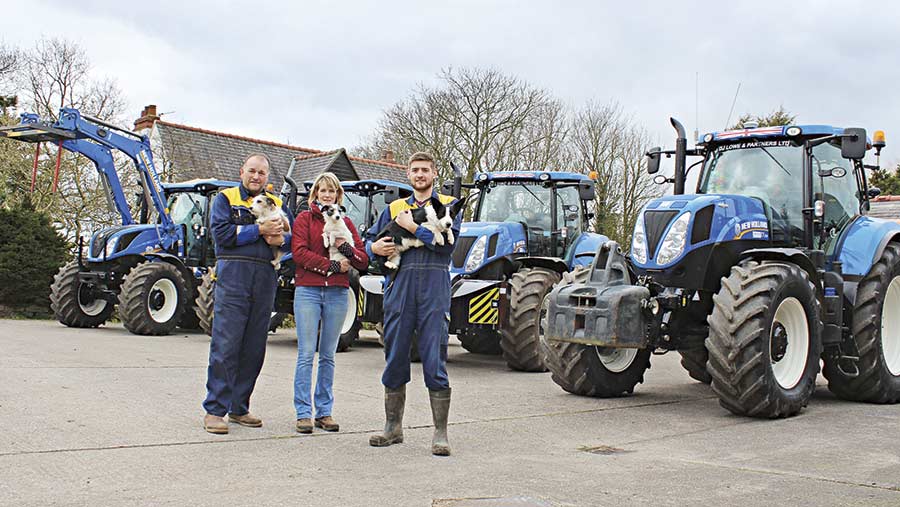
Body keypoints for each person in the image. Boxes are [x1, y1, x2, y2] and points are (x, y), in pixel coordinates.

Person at [366, 151, 462, 456]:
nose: (420, 175)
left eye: (425, 170)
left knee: (434, 356)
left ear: (434, 174)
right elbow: (370, 242)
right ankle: (392, 428)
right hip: (399, 284)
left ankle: (440, 433)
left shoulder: (447, 206)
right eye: (415, 170)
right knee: (395, 354)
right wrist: (373, 247)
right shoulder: (394, 207)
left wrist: (412, 228)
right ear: (408, 175)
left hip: (434, 285)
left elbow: (446, 249)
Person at [202, 153, 292, 434]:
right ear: (242, 171)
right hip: (234, 275)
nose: (256, 176)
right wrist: (259, 230)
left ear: (267, 178)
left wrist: (281, 239)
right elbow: (222, 236)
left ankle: (239, 407)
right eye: (252, 171)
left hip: (265, 275)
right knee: (226, 344)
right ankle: (215, 411)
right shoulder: (225, 199)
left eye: (262, 173)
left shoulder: (276, 203)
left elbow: (289, 239)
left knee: (254, 347)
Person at [291, 172, 368, 433]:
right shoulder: (304, 219)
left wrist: (345, 250)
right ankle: (303, 413)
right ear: (315, 194)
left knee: (328, 355)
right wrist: (334, 265)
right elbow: (299, 253)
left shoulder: (346, 222)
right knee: (305, 354)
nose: (327, 194)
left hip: (337, 293)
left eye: (332, 191)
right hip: (309, 291)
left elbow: (362, 260)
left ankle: (324, 412)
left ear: (338, 196)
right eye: (322, 190)